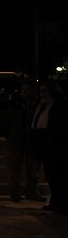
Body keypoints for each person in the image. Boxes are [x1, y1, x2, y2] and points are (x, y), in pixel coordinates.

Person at [3, 80, 44, 202]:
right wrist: (10, 135)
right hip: (17, 139)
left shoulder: (38, 105)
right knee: (15, 168)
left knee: (32, 168)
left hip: (31, 140)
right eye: (23, 90)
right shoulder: (16, 104)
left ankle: (31, 192)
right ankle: (15, 193)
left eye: (27, 90)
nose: (25, 93)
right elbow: (6, 121)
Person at [31, 80, 67, 214]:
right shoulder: (41, 105)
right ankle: (56, 201)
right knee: (51, 175)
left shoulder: (59, 105)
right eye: (41, 91)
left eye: (45, 90)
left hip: (56, 145)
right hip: (45, 144)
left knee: (59, 176)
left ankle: (62, 203)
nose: (42, 93)